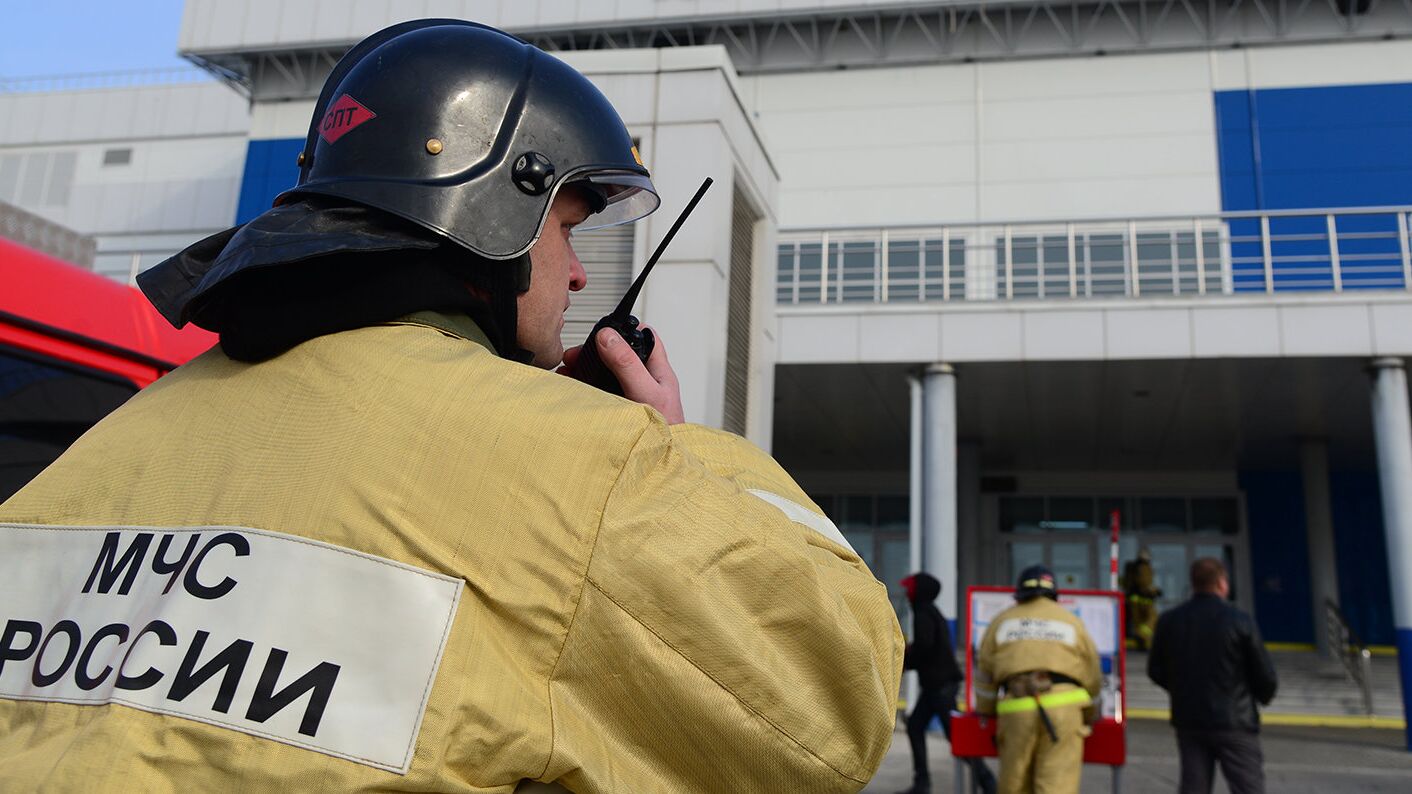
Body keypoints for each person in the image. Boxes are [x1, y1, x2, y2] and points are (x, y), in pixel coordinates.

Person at [0, 20, 904, 793]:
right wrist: (677, 451)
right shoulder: (592, 466)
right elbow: (834, 711)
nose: (584, 274)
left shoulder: (115, 436)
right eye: (570, 230)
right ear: (493, 220)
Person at [1148, 558, 1277, 794]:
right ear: (1221, 583)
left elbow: (1155, 670)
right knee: (1248, 786)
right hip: (1235, 720)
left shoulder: (1169, 621)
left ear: (1193, 583)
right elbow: (1265, 675)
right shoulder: (1240, 620)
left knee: (1194, 786)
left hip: (1190, 719)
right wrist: (1257, 697)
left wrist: (1181, 689)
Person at [976, 566, 1102, 794]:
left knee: (1014, 784)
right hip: (1064, 711)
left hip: (1017, 710)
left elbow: (985, 673)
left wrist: (986, 709)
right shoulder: (1071, 621)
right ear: (1054, 592)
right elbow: (1092, 672)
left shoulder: (1002, 621)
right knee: (1057, 785)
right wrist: (1091, 713)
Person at [896, 573, 997, 794]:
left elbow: (925, 645)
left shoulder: (923, 612)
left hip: (940, 686)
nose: (905, 593)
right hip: (936, 685)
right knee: (915, 726)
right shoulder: (928, 610)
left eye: (908, 588)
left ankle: (988, 782)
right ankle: (922, 783)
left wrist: (905, 660)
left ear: (918, 591)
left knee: (957, 738)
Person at [1123, 547, 1162, 650]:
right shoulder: (1144, 567)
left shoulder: (1132, 568)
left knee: (1138, 623)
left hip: (1133, 600)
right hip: (1144, 600)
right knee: (1153, 619)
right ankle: (1141, 636)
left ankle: (1142, 644)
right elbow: (1144, 584)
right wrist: (1155, 591)